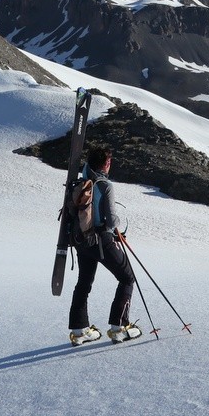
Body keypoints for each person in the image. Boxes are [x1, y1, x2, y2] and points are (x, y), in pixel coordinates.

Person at [68, 145, 141, 345]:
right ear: (106, 163)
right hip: (103, 240)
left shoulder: (82, 182)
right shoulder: (105, 185)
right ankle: (119, 327)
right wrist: (118, 225)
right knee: (127, 278)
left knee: (83, 283)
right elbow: (110, 221)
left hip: (83, 241)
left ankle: (79, 331)